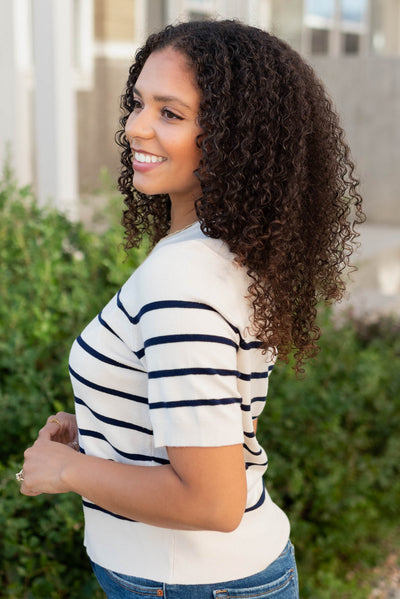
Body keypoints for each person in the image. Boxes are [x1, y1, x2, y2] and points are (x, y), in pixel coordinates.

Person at [18, 19, 364, 598]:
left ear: (235, 137)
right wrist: (104, 431)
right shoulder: (219, 254)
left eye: (170, 114)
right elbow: (218, 418)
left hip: (188, 582)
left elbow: (211, 501)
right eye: (138, 104)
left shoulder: (184, 278)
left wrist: (68, 471)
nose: (136, 127)